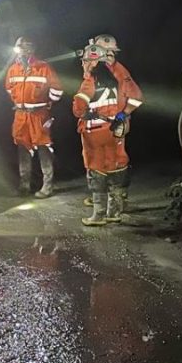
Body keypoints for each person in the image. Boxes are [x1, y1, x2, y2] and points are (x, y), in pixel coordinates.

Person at [72, 42, 143, 226]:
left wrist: (82, 111)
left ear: (93, 62)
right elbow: (136, 98)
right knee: (116, 166)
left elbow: (79, 106)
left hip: (94, 133)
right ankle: (114, 212)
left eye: (86, 60)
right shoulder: (119, 79)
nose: (83, 64)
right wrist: (122, 114)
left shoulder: (90, 81)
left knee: (97, 170)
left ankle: (98, 215)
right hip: (116, 131)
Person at [5, 36, 64, 198]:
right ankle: (24, 185)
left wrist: (46, 103)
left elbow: (57, 90)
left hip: (39, 115)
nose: (21, 51)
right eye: (19, 48)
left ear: (31, 49)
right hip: (21, 114)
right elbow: (10, 89)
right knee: (23, 148)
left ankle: (47, 185)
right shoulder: (13, 69)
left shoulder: (43, 67)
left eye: (24, 48)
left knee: (44, 148)